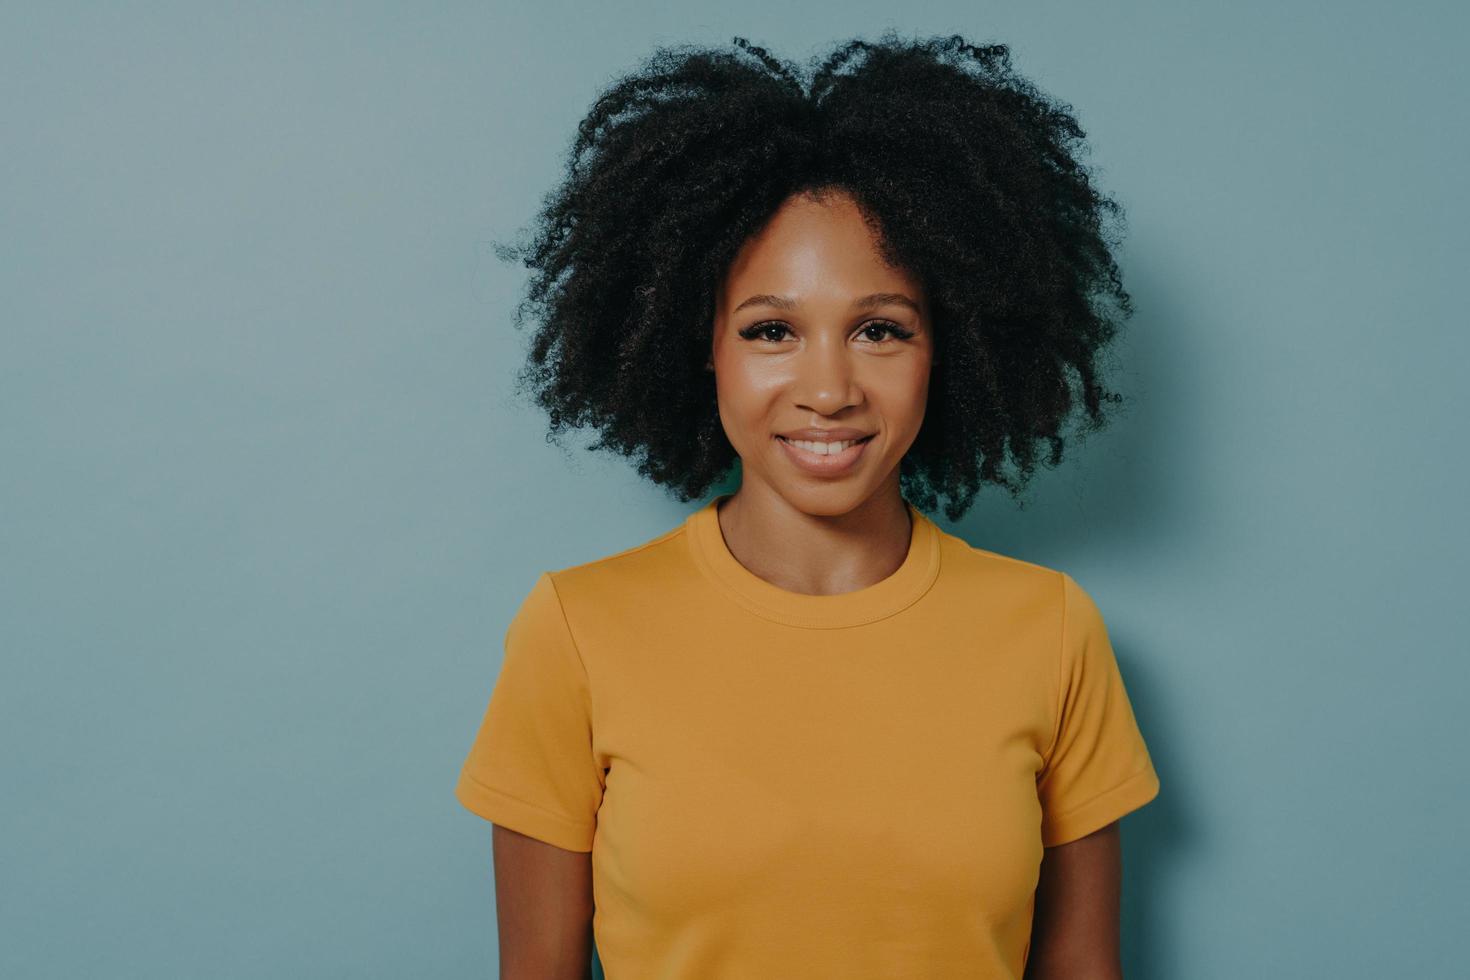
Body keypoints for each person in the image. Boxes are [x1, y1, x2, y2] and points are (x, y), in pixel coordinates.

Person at [455, 32, 1160, 980]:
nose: (828, 389)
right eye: (772, 329)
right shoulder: (577, 631)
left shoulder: (1051, 631)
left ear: (947, 346)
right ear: (696, 342)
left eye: (880, 329)